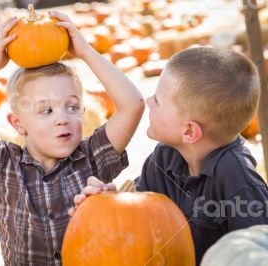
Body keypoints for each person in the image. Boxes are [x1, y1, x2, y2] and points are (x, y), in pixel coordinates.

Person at [0, 11, 145, 265]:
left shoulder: (92, 157)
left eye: (72, 106)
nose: (62, 118)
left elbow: (133, 105)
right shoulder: (1, 165)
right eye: (46, 110)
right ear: (18, 123)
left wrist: (87, 52)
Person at [72, 47, 268, 265]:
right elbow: (138, 217)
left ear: (189, 131)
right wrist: (108, 203)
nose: (148, 101)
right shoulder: (164, 158)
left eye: (157, 100)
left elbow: (256, 251)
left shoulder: (239, 180)